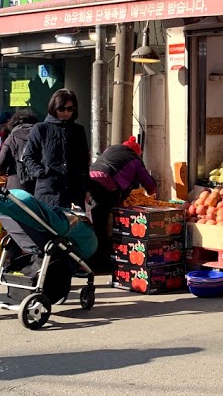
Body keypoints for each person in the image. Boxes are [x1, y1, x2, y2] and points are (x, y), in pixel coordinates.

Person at [85, 136, 158, 272]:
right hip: (107, 184)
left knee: (96, 220)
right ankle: (99, 262)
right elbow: (149, 184)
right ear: (137, 152)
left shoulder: (111, 149)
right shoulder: (135, 159)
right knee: (101, 224)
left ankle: (91, 259)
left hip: (90, 178)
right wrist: (153, 190)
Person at [22, 89, 90, 210]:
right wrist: (41, 173)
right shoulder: (41, 129)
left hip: (74, 192)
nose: (66, 113)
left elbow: (84, 161)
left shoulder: (78, 130)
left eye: (70, 109)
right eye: (61, 109)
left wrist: (87, 187)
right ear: (54, 108)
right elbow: (28, 156)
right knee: (49, 221)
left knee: (74, 222)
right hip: (48, 191)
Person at [0, 108, 39, 191]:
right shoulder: (41, 136)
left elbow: (0, 164)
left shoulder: (12, 138)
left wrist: (0, 172)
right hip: (38, 184)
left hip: (16, 184)